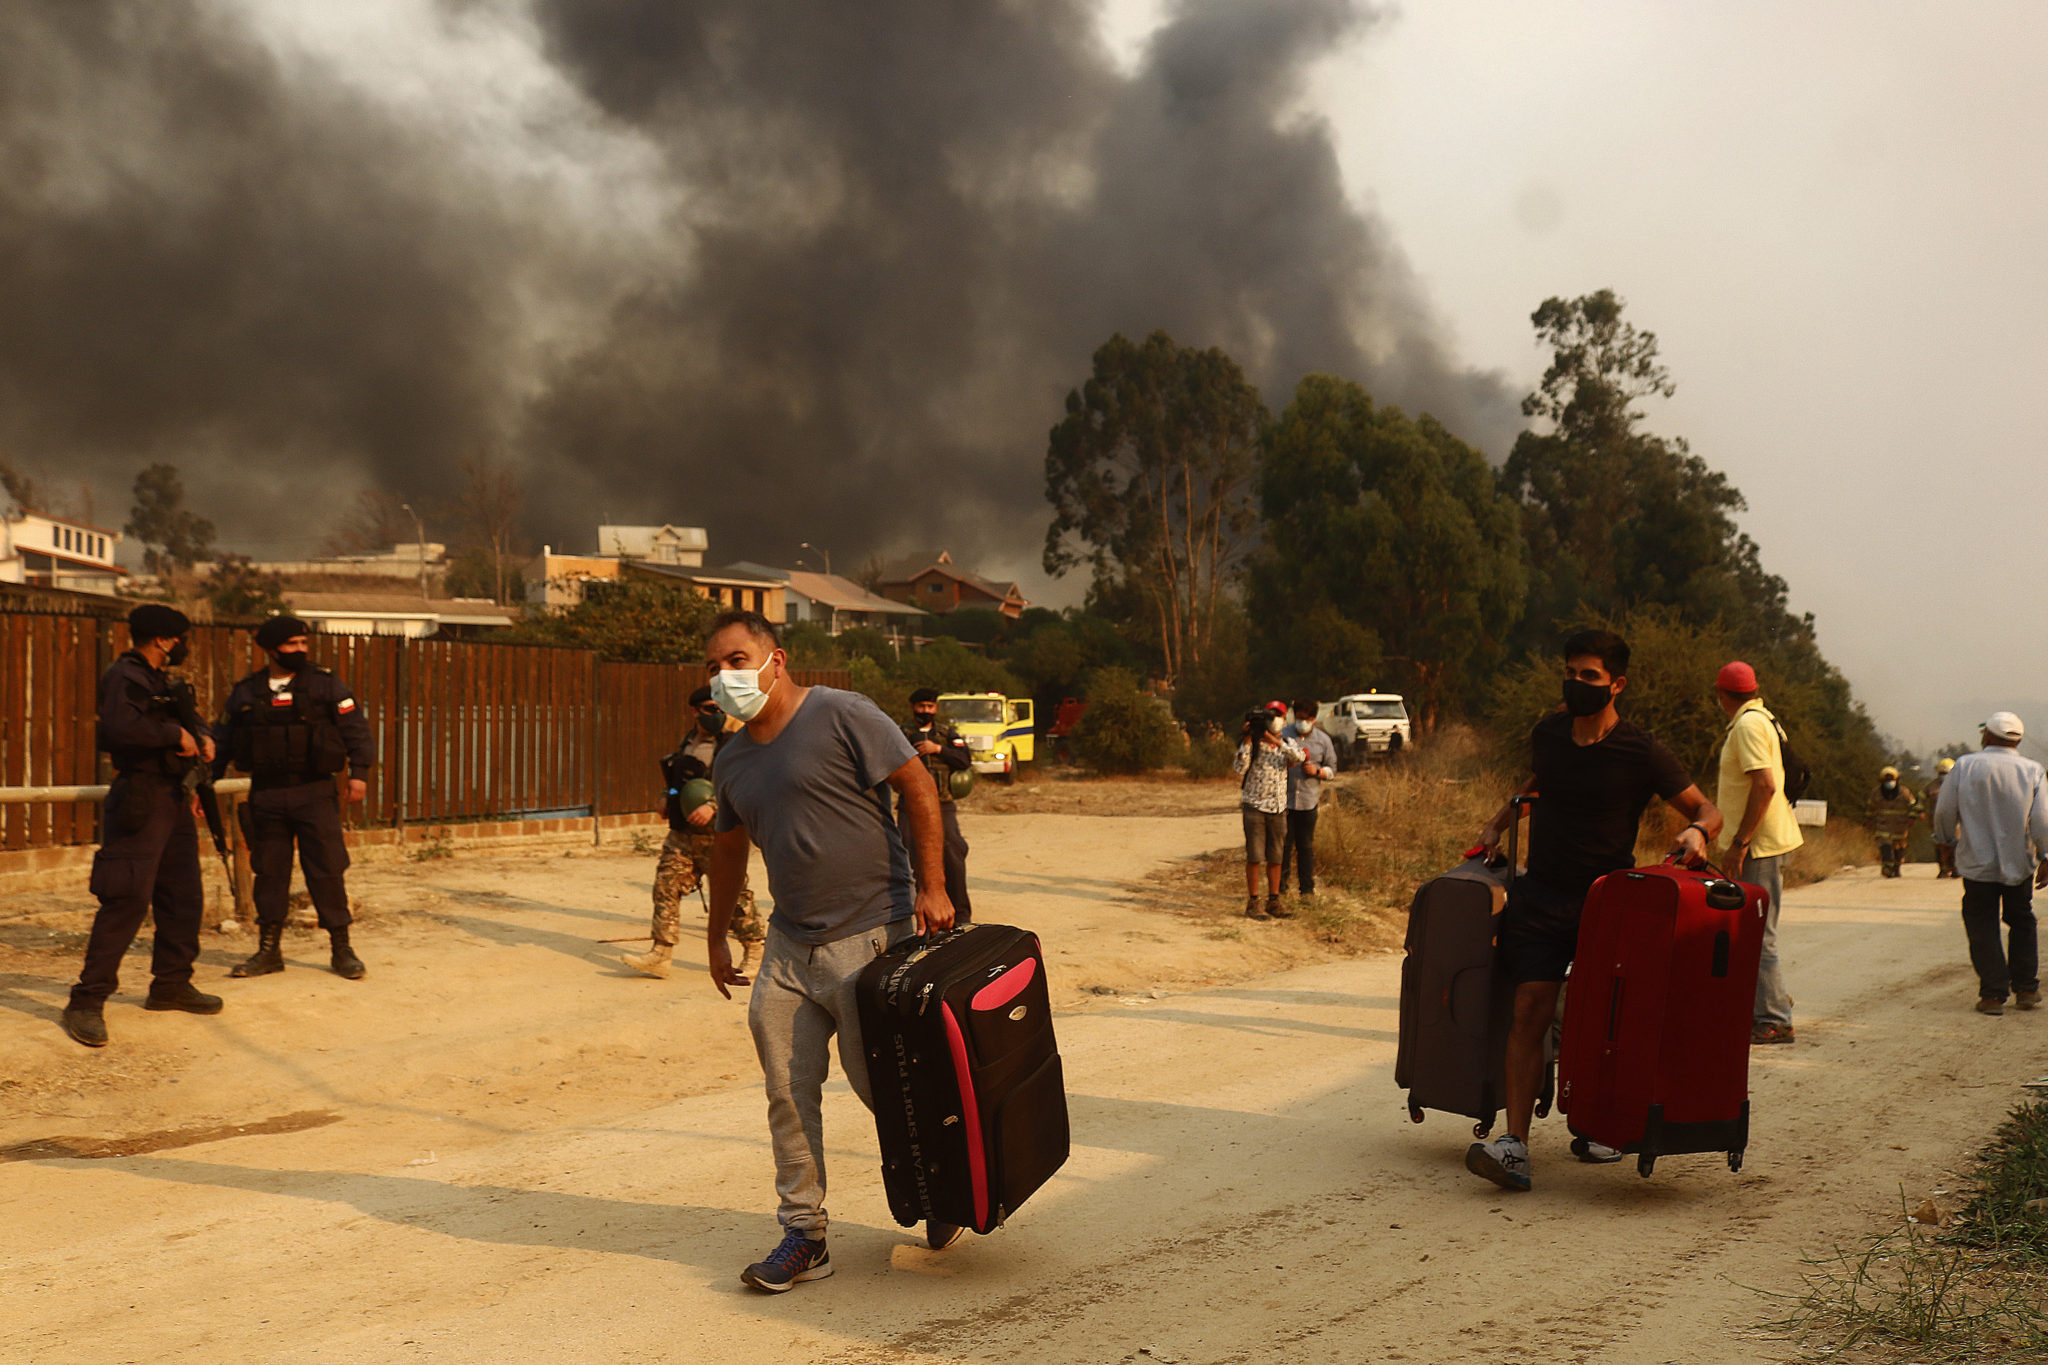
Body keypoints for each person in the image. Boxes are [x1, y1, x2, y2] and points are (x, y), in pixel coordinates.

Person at [698, 610, 958, 1292]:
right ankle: (805, 1235)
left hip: (873, 931)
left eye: (736, 659)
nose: (725, 676)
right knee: (787, 1090)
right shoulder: (731, 760)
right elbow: (727, 852)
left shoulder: (844, 713)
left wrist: (932, 885)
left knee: (886, 1089)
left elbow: (917, 785)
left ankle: (944, 1189)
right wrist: (716, 932)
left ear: (775, 659)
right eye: (714, 666)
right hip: (790, 944)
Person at [1465, 629, 1724, 1192]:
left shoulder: (1642, 750)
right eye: (1571, 672)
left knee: (1599, 1019)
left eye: (1590, 676)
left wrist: (1698, 831)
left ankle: (1601, 1123)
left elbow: (1706, 806)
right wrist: (1499, 822)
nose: (1577, 684)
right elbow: (1540, 782)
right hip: (1540, 896)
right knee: (1530, 1006)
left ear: (1617, 684)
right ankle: (1515, 1146)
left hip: (1607, 903)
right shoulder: (1549, 733)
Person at [60, 605, 222, 1047]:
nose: (185, 645)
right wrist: (174, 736)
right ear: (165, 639)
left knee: (183, 896)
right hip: (140, 798)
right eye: (181, 638)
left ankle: (170, 984)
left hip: (174, 797)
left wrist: (204, 737)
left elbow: (189, 719)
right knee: (127, 897)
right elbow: (118, 728)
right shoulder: (125, 676)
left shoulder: (161, 681)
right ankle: (87, 1000)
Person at [212, 616, 377, 981]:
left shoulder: (325, 684)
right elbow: (221, 740)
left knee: (327, 869)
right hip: (267, 793)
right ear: (271, 650)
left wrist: (359, 773)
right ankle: (269, 950)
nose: (301, 650)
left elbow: (356, 731)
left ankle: (341, 948)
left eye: (304, 643)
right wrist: (206, 784)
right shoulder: (246, 692)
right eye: (292, 645)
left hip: (314, 791)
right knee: (269, 873)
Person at [622, 685, 762, 977]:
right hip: (684, 833)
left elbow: (744, 783)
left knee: (735, 895)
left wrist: (713, 804)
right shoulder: (689, 741)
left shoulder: (733, 742)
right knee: (666, 885)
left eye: (722, 708)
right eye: (711, 708)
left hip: (721, 834)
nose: (718, 714)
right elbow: (678, 780)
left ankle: (756, 950)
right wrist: (666, 795)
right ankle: (661, 952)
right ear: (695, 711)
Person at [1711, 660, 1804, 1046]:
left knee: (1757, 934)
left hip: (1759, 846)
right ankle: (1772, 1000)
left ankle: (1775, 1019)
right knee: (1751, 931)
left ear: (1721, 696)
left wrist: (1740, 843)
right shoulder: (1762, 718)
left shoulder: (1748, 725)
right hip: (1766, 841)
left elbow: (1764, 786)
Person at [1931, 712, 2047, 1016]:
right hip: (2019, 863)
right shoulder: (2033, 770)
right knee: (2021, 920)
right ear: (2017, 740)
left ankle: (1993, 995)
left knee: (1982, 923)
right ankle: (2026, 989)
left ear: (1988, 737)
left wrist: (1946, 843)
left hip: (1975, 863)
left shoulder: (1965, 766)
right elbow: (2042, 821)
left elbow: (1944, 811)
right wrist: (2046, 856)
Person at [900, 686, 974, 924]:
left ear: (936, 708)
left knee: (953, 852)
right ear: (913, 707)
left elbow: (965, 760)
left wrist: (939, 749)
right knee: (909, 855)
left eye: (930, 707)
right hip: (909, 806)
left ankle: (960, 915)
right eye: (921, 706)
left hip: (943, 805)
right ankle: (916, 913)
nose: (925, 711)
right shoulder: (900, 734)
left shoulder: (947, 734)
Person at [1235, 700, 1306, 920]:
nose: (1274, 718)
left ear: (1284, 719)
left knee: (1276, 857)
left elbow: (1299, 757)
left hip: (1278, 807)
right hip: (1255, 806)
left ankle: (1274, 899)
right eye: (1270, 715)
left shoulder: (1287, 742)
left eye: (1278, 715)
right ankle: (1253, 901)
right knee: (1255, 856)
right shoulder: (1253, 743)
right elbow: (1239, 768)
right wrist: (1248, 739)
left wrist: (1275, 740)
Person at [1278, 699, 1339, 899]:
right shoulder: (1283, 736)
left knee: (1305, 847)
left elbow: (1333, 770)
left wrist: (1318, 771)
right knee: (1283, 847)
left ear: (1313, 718)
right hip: (1284, 802)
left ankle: (1307, 890)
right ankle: (1279, 888)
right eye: (1298, 718)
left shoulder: (1323, 740)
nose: (1301, 722)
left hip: (1308, 802)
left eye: (1306, 718)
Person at [1868, 766, 1918, 878]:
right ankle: (1887, 867)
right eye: (1886, 781)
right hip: (1883, 824)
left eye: (1891, 780)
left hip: (1900, 825)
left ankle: (1896, 867)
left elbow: (1914, 807)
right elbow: (1870, 808)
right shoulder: (1875, 793)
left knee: (1899, 847)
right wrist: (1870, 819)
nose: (1889, 783)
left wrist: (1912, 818)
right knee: (1884, 844)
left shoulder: (1904, 792)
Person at [1925, 757, 1958, 879]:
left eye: (1946, 773)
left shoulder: (1959, 785)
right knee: (1940, 846)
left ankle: (1955, 868)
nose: (1943, 776)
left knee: (1956, 845)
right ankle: (1943, 869)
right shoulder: (1931, 786)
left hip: (1956, 822)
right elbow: (1920, 799)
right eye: (1941, 773)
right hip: (1936, 822)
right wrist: (1919, 812)